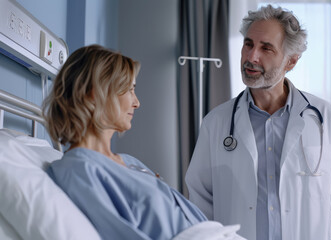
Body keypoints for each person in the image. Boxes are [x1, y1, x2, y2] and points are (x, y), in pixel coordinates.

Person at [185, 5, 331, 240]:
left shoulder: (329, 121)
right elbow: (200, 203)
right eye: (248, 44)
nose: (252, 56)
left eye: (266, 48)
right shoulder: (216, 123)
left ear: (291, 62)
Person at [43, 45, 244, 240]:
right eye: (130, 90)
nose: (136, 102)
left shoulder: (129, 162)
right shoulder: (78, 169)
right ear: (96, 93)